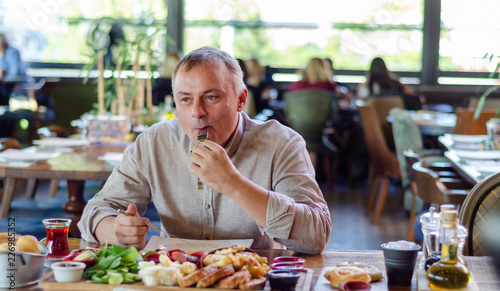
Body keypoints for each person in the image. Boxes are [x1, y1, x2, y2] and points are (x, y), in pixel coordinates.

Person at [78, 46, 331, 255]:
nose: (196, 112)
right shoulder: (154, 142)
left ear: (241, 100)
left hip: (253, 284)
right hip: (173, 280)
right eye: (185, 99)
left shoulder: (282, 144)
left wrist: (234, 184)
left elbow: (315, 237)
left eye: (211, 97)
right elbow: (95, 211)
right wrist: (115, 229)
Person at [356, 57, 421, 109]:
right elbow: (411, 95)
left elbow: (359, 103)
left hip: (374, 121)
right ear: (385, 69)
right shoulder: (396, 83)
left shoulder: (365, 86)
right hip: (394, 120)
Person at [0, 33, 27, 105]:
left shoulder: (12, 52)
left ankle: (4, 113)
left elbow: (14, 74)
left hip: (16, 85)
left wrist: (2, 76)